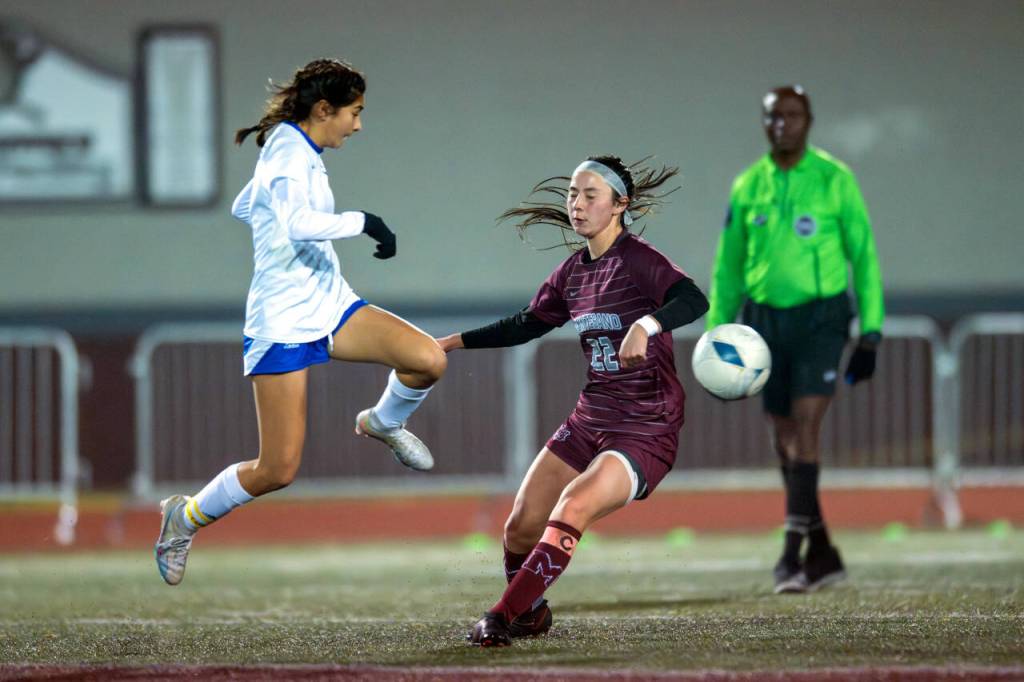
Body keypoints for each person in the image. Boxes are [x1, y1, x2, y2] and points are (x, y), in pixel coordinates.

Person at [154, 58, 447, 586]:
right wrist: (366, 222)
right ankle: (185, 516)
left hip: (330, 303)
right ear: (323, 109)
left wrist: (260, 205)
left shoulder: (293, 149)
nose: (358, 125)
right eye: (354, 113)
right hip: (283, 323)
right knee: (277, 470)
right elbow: (295, 223)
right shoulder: (289, 151)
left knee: (428, 360)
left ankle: (382, 421)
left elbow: (249, 206)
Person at [436, 156, 709, 646]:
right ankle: (532, 613)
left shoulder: (640, 260)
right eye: (572, 195)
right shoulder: (571, 274)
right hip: (590, 417)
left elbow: (693, 300)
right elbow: (525, 324)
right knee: (519, 527)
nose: (577, 205)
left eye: (590, 195)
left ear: (620, 204)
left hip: (645, 424)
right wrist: (448, 344)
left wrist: (646, 325)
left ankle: (499, 617)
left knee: (574, 505)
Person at [706, 85, 884, 594]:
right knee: (782, 438)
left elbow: (864, 255)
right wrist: (717, 330)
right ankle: (823, 552)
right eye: (773, 116)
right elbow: (728, 266)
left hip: (822, 317)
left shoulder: (834, 179)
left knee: (806, 426)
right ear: (764, 124)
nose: (782, 124)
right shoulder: (748, 186)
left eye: (792, 115)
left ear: (809, 121)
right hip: (763, 321)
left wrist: (870, 330)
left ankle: (790, 556)